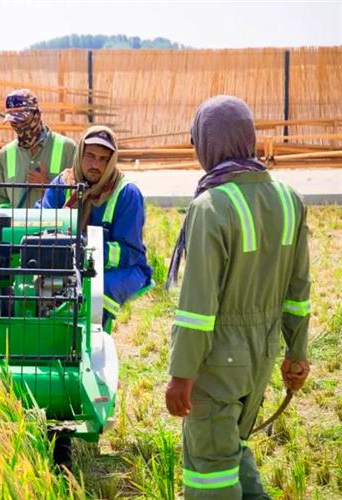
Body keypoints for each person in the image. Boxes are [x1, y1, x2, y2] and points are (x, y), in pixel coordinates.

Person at [164, 95, 311, 499]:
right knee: (231, 448)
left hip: (217, 364)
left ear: (209, 143)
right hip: (261, 358)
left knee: (209, 470)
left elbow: (197, 308)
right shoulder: (288, 199)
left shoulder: (211, 206)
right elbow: (299, 290)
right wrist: (296, 353)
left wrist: (181, 375)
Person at [37, 125, 153, 326]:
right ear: (79, 154)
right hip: (69, 265)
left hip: (121, 269)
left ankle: (92, 338)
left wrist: (86, 251)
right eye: (90, 156)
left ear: (112, 161)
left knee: (95, 294)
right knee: (34, 288)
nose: (95, 165)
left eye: (103, 159)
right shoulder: (63, 183)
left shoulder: (126, 193)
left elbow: (129, 253)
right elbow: (40, 221)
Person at [0, 89, 77, 208]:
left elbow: (79, 195)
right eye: (14, 121)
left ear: (37, 114)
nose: (19, 125)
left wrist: (48, 186)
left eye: (22, 119)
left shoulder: (68, 148)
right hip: (17, 226)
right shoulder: (5, 155)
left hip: (54, 225)